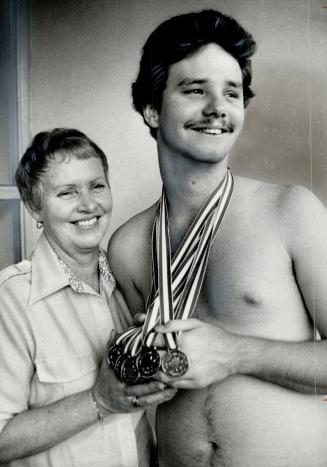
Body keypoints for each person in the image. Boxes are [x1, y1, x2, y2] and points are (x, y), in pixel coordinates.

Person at [108, 10, 327, 467]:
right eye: (194, 90)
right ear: (152, 108)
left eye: (232, 93)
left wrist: (233, 353)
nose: (217, 108)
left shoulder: (291, 211)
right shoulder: (128, 247)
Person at [0, 128, 176, 466]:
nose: (89, 205)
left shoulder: (128, 280)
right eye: (67, 192)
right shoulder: (12, 299)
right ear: (35, 207)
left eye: (97, 186)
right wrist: (99, 401)